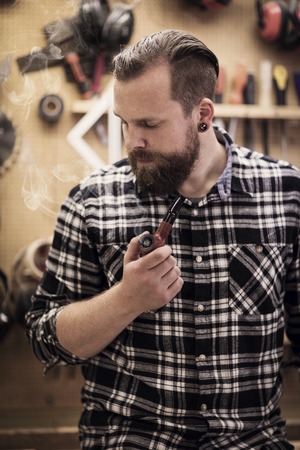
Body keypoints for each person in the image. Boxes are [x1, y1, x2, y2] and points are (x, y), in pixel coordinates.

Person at [26, 29, 300, 449]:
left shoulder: (285, 193)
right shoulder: (93, 201)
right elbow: (46, 343)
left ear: (202, 113)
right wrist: (126, 299)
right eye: (124, 123)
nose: (132, 142)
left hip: (249, 441)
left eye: (149, 124)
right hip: (131, 439)